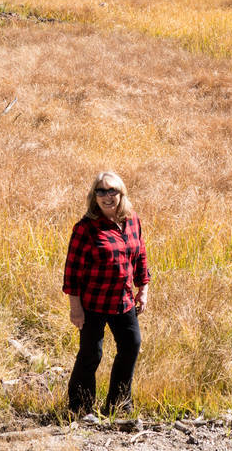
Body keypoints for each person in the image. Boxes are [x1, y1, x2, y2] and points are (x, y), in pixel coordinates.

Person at [63, 171, 149, 416]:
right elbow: (72, 271)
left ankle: (118, 405)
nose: (107, 196)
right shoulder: (85, 228)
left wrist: (143, 288)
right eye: (101, 191)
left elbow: (140, 255)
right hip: (93, 303)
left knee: (131, 345)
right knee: (91, 354)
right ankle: (80, 408)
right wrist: (75, 308)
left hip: (124, 301)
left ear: (122, 194)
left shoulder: (132, 220)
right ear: (94, 196)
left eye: (112, 191)